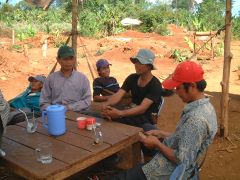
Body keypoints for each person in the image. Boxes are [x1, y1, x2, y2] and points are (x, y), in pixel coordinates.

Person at [108, 61, 218, 180]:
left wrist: (157, 143)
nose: (176, 91)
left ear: (192, 86)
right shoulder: (206, 107)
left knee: (121, 178)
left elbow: (180, 159)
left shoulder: (196, 120)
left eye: (178, 87)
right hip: (179, 163)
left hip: (171, 171)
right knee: (148, 129)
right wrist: (161, 133)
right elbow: (187, 137)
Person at [102, 48, 165, 131]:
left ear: (149, 66)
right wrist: (106, 105)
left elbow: (142, 108)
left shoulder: (155, 85)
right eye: (136, 62)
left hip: (145, 118)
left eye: (140, 63)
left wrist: (120, 113)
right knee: (105, 115)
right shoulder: (132, 78)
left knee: (114, 119)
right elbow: (118, 95)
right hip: (130, 112)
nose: (136, 65)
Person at [40, 45, 91, 112]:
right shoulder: (51, 79)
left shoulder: (82, 79)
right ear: (58, 60)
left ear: (75, 59)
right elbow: (44, 102)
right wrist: (55, 110)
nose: (68, 62)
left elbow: (87, 101)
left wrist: (70, 107)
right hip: (56, 114)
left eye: (71, 58)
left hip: (78, 114)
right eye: (65, 59)